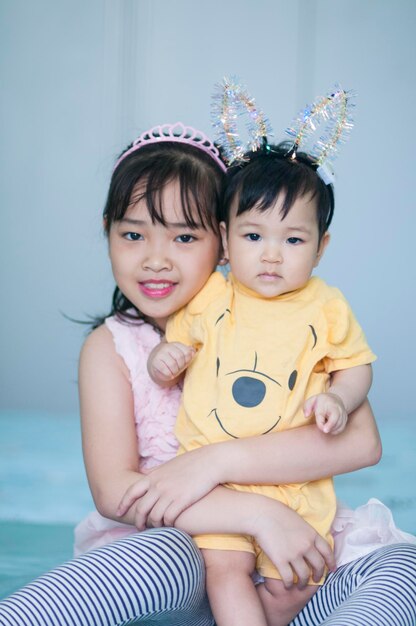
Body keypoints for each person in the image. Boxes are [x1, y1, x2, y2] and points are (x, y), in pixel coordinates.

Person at [0, 122, 415, 626]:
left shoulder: (283, 314)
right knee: (151, 557)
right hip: (188, 554)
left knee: (399, 566)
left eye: (184, 236)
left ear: (222, 241)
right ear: (106, 231)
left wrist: (215, 463)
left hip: (291, 557)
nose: (156, 260)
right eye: (132, 234)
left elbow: (361, 443)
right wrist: (257, 515)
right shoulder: (112, 348)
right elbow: (115, 495)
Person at [147, 139, 375, 625]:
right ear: (226, 240)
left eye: (293, 240)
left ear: (321, 247)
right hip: (218, 484)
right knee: (225, 570)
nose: (271, 256)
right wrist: (163, 360)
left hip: (295, 482)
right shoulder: (211, 295)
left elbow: (356, 365)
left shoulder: (326, 306)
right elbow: (175, 347)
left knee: (296, 582)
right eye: (254, 238)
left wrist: (340, 395)